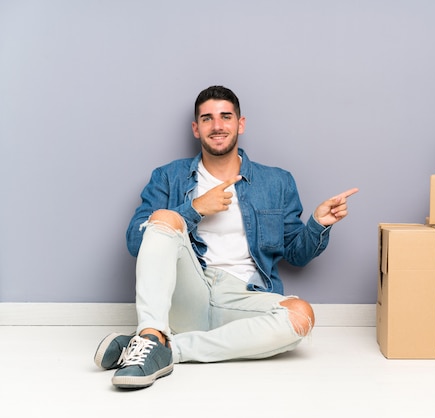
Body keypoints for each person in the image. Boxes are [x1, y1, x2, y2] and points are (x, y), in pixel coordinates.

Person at [93, 85, 358, 389]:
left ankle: (162, 348)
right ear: (196, 128)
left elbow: (296, 255)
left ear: (240, 124)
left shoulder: (277, 181)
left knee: (301, 316)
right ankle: (153, 333)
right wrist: (193, 209)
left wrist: (318, 223)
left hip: (244, 298)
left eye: (225, 117)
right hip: (188, 292)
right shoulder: (168, 176)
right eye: (207, 119)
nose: (217, 126)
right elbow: (135, 242)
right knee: (164, 217)